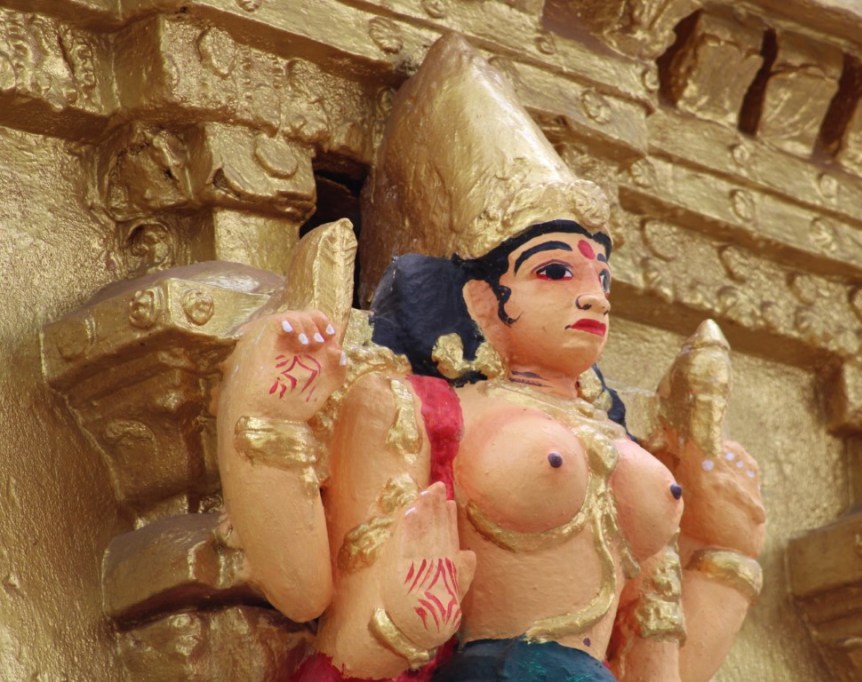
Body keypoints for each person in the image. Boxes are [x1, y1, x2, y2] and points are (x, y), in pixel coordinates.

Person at [215, 33, 765, 682]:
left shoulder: (624, 445)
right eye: (555, 271)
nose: (593, 296)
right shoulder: (413, 408)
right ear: (481, 300)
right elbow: (310, 595)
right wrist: (268, 415)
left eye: (603, 278)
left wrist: (731, 552)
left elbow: (658, 670)